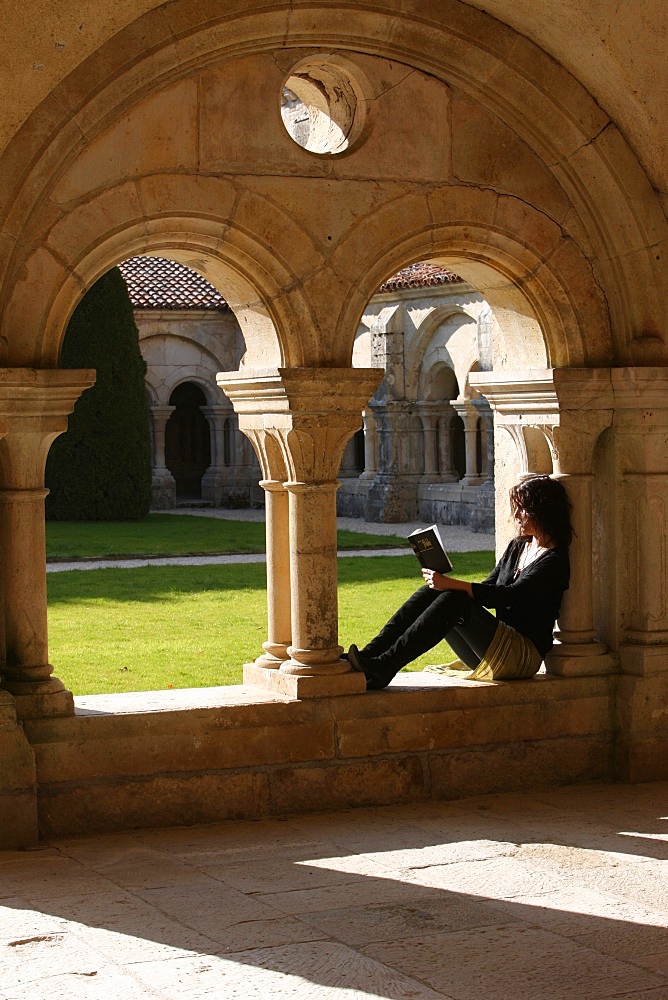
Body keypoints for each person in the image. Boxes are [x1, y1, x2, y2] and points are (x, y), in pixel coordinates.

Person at [347, 474, 572, 690]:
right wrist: (444, 582)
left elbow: (509, 595)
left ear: (542, 511)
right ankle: (368, 656)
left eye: (523, 509)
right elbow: (490, 587)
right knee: (432, 591)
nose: (517, 516)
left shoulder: (555, 560)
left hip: (521, 656)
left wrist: (452, 584)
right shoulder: (519, 546)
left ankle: (385, 666)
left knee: (454, 597)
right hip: (490, 647)